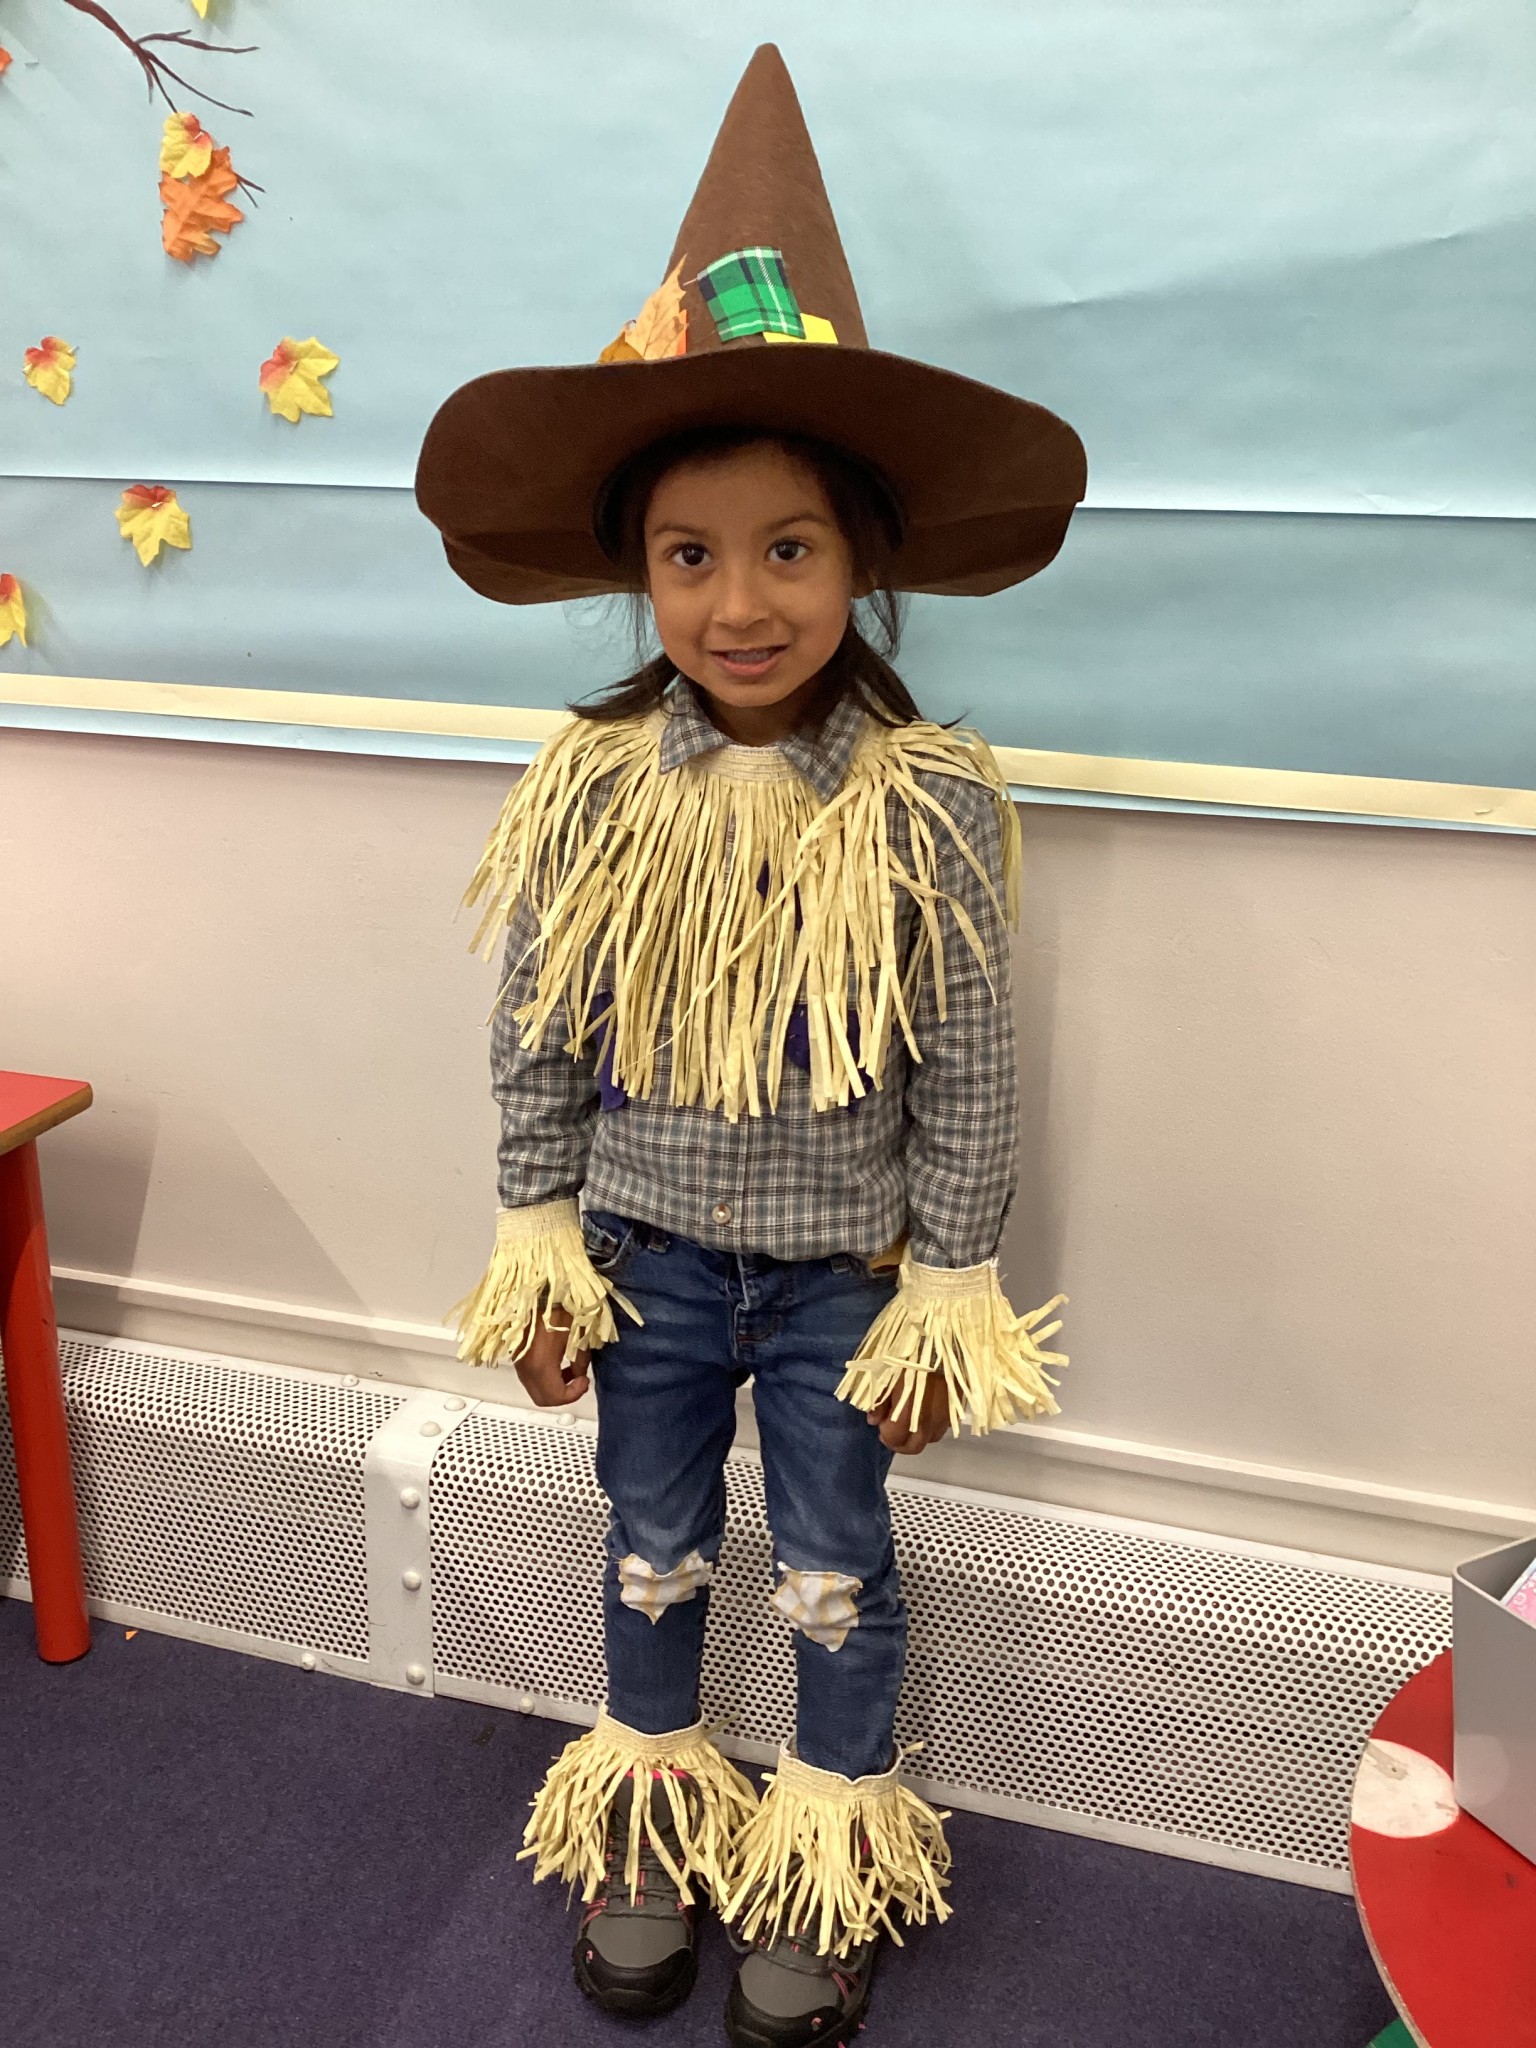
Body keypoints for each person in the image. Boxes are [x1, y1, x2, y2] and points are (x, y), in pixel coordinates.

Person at [415, 42, 1085, 2048]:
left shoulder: (929, 799)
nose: (737, 599)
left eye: (786, 549)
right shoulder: (599, 783)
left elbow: (967, 1067)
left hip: (837, 1280)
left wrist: (941, 1303)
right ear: (640, 569)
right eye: (690, 555)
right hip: (639, 1264)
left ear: (861, 560)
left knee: (836, 1563)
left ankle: (819, 1840)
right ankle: (649, 1808)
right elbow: (538, 1021)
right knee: (648, 1538)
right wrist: (536, 1246)